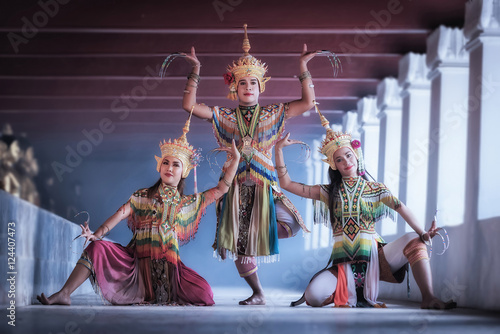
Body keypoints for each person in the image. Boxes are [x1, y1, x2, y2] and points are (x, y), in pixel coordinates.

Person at [177, 24, 322, 305]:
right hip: (235, 190)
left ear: (260, 86)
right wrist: (195, 70)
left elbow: (308, 102)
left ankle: (256, 236)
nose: (247, 87)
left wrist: (302, 67)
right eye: (242, 82)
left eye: (252, 82)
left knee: (290, 223)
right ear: (234, 86)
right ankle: (258, 292)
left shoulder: (274, 112)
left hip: (265, 185)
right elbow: (189, 107)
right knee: (238, 247)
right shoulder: (224, 116)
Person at [37, 111, 240, 306]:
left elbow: (221, 189)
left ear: (184, 171)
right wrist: (96, 234)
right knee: (96, 248)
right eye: (166, 163)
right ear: (159, 166)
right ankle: (64, 294)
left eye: (176, 165)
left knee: (205, 294)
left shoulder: (188, 202)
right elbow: (119, 215)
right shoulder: (142, 196)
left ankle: (158, 292)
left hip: (170, 272)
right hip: (136, 265)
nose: (169, 168)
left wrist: (235, 161)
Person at [274, 105, 457, 309]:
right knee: (314, 297)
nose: (346, 162)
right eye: (339, 159)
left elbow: (400, 207)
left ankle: (429, 298)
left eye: (349, 155)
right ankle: (347, 291)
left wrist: (423, 233)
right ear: (334, 165)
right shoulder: (328, 192)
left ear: (357, 155)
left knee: (414, 241)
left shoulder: (376, 189)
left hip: (376, 259)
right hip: (343, 264)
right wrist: (278, 150)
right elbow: (287, 184)